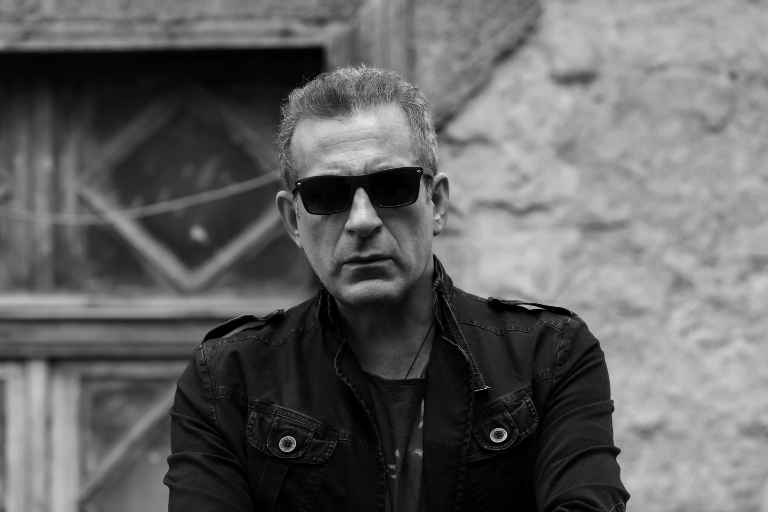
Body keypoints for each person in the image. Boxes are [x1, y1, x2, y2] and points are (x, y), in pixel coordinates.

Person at [164, 66, 629, 512]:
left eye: (391, 186)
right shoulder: (228, 381)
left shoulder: (549, 358)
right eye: (327, 194)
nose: (362, 221)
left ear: (437, 203)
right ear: (293, 221)